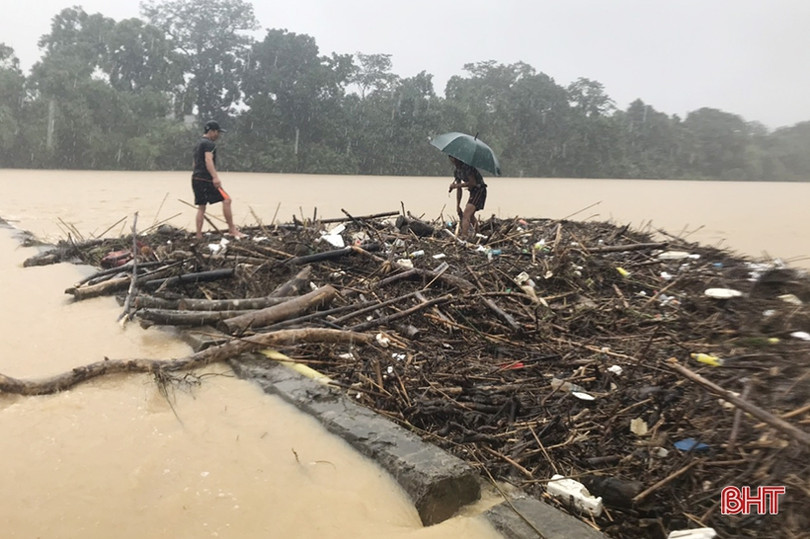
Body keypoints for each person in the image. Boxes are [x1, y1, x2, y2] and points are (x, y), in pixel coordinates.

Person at [191, 120, 244, 239]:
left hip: (196, 178)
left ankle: (198, 235)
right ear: (211, 131)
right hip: (207, 179)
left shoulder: (198, 144)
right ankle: (232, 230)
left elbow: (195, 163)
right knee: (227, 200)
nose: (218, 135)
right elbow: (208, 160)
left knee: (201, 207)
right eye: (217, 132)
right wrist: (215, 177)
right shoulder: (210, 144)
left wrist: (198, 174)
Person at [448, 156, 487, 239]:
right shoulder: (457, 171)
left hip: (480, 190)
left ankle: (464, 236)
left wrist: (456, 185)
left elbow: (472, 183)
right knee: (471, 215)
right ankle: (478, 234)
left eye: (454, 158)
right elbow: (459, 190)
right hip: (473, 191)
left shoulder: (467, 167)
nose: (453, 161)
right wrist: (458, 205)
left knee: (466, 214)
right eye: (451, 158)